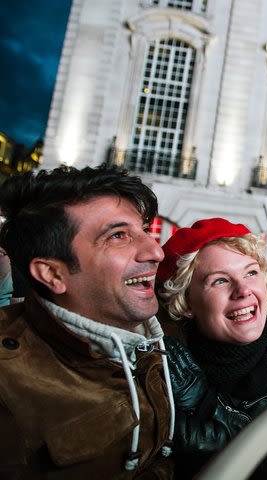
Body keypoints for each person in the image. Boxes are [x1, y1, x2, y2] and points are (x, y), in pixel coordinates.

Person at [0, 166, 174, 478]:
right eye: (118, 236)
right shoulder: (9, 385)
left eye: (145, 230)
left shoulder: (165, 335)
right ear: (53, 274)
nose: (155, 251)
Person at [156, 218, 267, 478]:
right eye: (220, 281)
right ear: (185, 302)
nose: (243, 290)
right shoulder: (170, 362)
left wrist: (209, 408)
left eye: (251, 273)